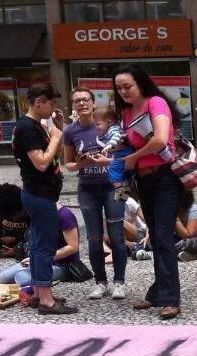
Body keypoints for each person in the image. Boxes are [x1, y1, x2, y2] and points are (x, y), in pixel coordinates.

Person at [113, 64, 183, 320]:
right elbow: (129, 142)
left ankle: (170, 298)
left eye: (127, 86)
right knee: (155, 235)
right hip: (144, 181)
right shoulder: (127, 112)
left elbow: (161, 140)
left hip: (165, 177)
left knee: (164, 236)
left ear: (140, 83)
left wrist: (133, 157)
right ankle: (158, 291)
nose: (123, 92)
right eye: (119, 88)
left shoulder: (156, 103)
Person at [11, 83, 77, 314]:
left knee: (39, 243)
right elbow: (40, 163)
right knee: (45, 245)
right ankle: (46, 300)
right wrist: (57, 136)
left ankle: (41, 294)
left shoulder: (35, 126)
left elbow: (52, 159)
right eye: (51, 103)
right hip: (39, 194)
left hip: (40, 193)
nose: (54, 107)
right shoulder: (27, 128)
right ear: (38, 102)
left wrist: (57, 130)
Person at [62, 87, 128, 300]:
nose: (81, 104)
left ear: (92, 102)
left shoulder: (111, 124)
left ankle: (120, 282)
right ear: (73, 106)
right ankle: (100, 282)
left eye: (85, 100)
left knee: (117, 236)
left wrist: (106, 160)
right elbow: (68, 165)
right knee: (93, 237)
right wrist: (80, 163)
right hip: (87, 188)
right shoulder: (70, 131)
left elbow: (127, 156)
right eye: (77, 101)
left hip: (118, 185)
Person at [0, 203, 80, 287]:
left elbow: (73, 247)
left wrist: (42, 259)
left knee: (22, 277)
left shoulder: (64, 215)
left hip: (62, 264)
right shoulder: (38, 214)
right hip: (40, 259)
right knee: (4, 277)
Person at [0, 183, 29, 260]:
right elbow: (2, 227)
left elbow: (33, 238)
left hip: (23, 244)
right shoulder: (3, 208)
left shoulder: (28, 212)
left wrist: (15, 240)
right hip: (6, 245)